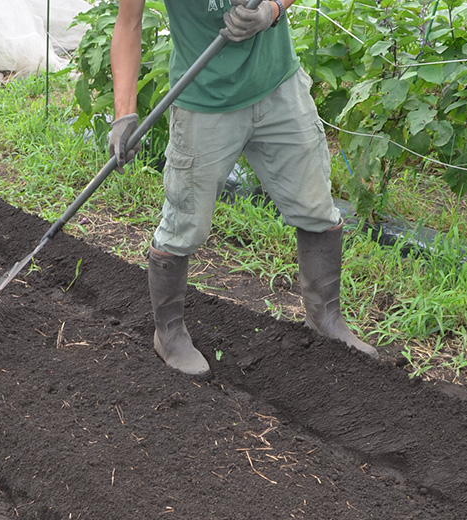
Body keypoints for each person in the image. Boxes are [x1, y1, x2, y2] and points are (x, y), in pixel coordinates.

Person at [108, 0, 378, 378]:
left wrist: (272, 9)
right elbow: (129, 24)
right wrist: (124, 115)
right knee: (186, 225)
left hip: (277, 85)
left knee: (315, 206)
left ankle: (326, 319)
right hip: (204, 99)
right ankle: (169, 335)